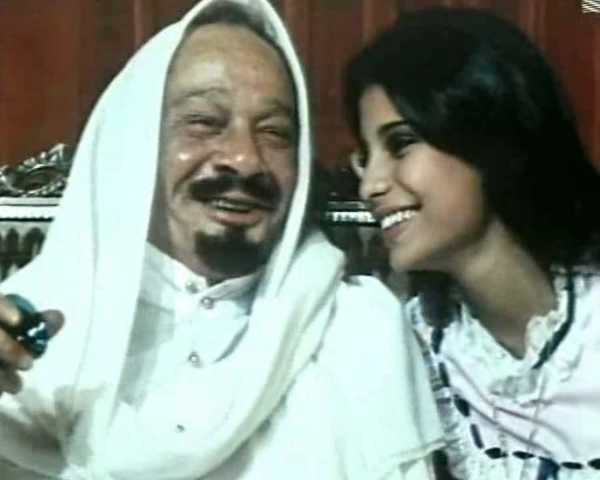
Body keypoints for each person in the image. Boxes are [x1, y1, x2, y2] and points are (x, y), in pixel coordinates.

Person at [0, 0, 444, 478]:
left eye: (274, 133)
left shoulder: (356, 327)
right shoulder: (27, 324)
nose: (244, 159)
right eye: (204, 122)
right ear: (136, 141)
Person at [344, 6, 600, 480]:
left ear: (486, 136)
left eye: (400, 144)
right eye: (365, 157)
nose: (370, 185)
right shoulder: (416, 345)